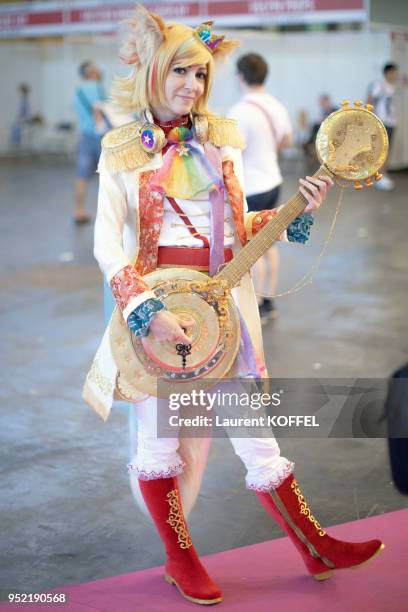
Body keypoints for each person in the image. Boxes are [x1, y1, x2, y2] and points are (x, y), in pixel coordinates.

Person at [83, 6, 383, 605]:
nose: (192, 86)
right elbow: (104, 242)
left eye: (200, 75)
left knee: (257, 436)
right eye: (180, 73)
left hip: (224, 309)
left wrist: (292, 211)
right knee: (159, 442)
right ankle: (180, 558)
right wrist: (145, 310)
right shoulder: (121, 150)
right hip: (157, 317)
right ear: (153, 73)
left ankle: (314, 545)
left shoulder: (222, 139)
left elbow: (236, 227)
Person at [228, 53, 294, 323]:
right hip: (273, 182)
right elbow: (287, 141)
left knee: (248, 247)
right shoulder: (276, 106)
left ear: (240, 76)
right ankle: (268, 300)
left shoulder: (238, 112)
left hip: (250, 188)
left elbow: (231, 155)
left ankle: (252, 305)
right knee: (269, 243)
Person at [73, 61, 109, 224]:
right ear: (91, 71)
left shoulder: (77, 91)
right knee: (108, 177)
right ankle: (108, 216)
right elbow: (103, 111)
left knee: (82, 176)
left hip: (84, 136)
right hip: (101, 138)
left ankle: (79, 211)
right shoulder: (98, 88)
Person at [367, 63, 399, 191]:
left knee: (387, 151)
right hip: (382, 122)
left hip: (391, 122)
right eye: (394, 72)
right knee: (381, 151)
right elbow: (370, 100)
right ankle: (378, 177)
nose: (395, 75)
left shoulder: (393, 86)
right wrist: (371, 118)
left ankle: (382, 176)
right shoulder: (380, 85)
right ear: (387, 72)